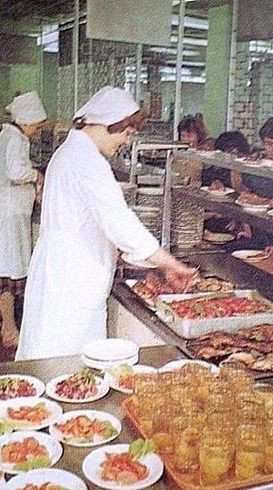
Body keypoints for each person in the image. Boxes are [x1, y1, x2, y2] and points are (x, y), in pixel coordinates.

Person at [18, 86, 198, 360]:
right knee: (64, 361)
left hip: (62, 271)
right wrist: (172, 264)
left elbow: (89, 222)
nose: (126, 141)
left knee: (51, 354)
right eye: (127, 133)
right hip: (72, 279)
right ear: (111, 124)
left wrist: (130, 255)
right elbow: (121, 224)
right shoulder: (87, 162)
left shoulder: (70, 152)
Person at [0, 91, 47, 348]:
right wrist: (36, 176)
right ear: (24, 121)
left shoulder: (10, 136)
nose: (37, 131)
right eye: (36, 126)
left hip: (10, 216)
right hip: (9, 219)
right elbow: (14, 171)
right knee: (8, 275)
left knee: (9, 272)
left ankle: (8, 326)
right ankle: (9, 330)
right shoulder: (15, 139)